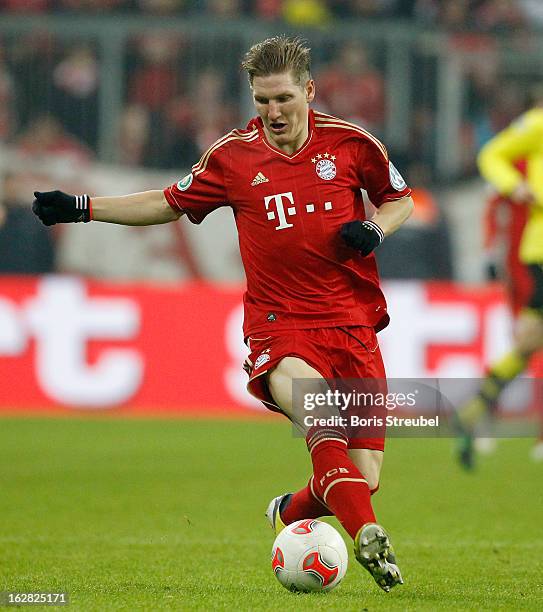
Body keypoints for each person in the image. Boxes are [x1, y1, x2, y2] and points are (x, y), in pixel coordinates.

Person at [32, 36, 414, 591]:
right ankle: (370, 539)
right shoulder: (233, 156)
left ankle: (289, 511)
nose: (273, 112)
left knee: (364, 477)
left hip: (353, 325)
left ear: (308, 90)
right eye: (261, 101)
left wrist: (376, 228)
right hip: (280, 325)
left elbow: (400, 198)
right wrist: (85, 208)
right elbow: (168, 201)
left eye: (282, 98)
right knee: (321, 413)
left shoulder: (354, 144)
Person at [455, 102, 543, 469]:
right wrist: (516, 186)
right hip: (540, 247)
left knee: (528, 342)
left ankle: (473, 410)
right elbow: (491, 153)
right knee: (528, 340)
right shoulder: (538, 123)